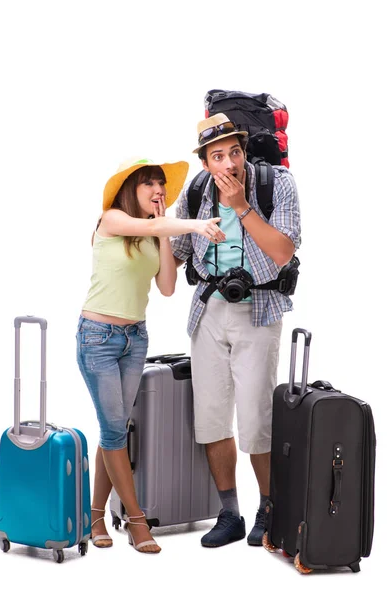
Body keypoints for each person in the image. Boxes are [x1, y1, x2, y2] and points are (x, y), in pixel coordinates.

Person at [76, 157, 225, 554]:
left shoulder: (151, 233)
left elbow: (167, 286)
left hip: (135, 338)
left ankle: (94, 514)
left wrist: (164, 236)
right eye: (150, 184)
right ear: (131, 190)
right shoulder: (111, 220)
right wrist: (194, 225)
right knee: (113, 431)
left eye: (161, 184)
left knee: (116, 428)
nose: (159, 190)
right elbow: (155, 224)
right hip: (98, 339)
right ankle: (137, 520)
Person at [171, 114, 301, 548]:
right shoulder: (195, 192)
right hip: (209, 312)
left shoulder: (276, 184)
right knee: (210, 418)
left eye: (234, 152)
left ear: (244, 151)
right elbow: (174, 252)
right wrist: (143, 224)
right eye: (217, 156)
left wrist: (243, 206)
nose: (227, 163)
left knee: (256, 417)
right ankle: (230, 513)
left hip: (259, 310)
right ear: (206, 162)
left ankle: (269, 507)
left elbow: (283, 251)